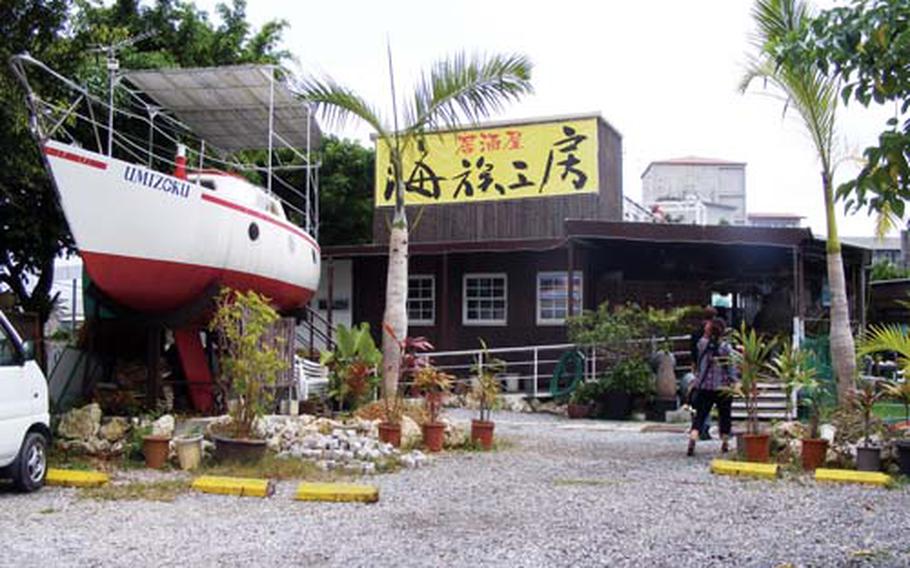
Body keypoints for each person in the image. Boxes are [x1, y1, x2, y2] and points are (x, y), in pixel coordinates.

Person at [687, 317, 735, 457]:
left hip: (704, 387)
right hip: (723, 387)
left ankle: (693, 438)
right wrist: (735, 381)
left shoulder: (702, 344)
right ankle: (725, 443)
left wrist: (707, 332)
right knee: (725, 415)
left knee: (700, 415)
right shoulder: (726, 348)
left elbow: (702, 343)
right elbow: (731, 368)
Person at [688, 306, 717, 440]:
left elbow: (693, 351)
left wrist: (694, 366)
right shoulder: (715, 331)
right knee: (708, 399)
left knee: (699, 398)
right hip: (713, 369)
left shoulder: (696, 332)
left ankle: (697, 426)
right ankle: (704, 427)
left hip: (700, 368)